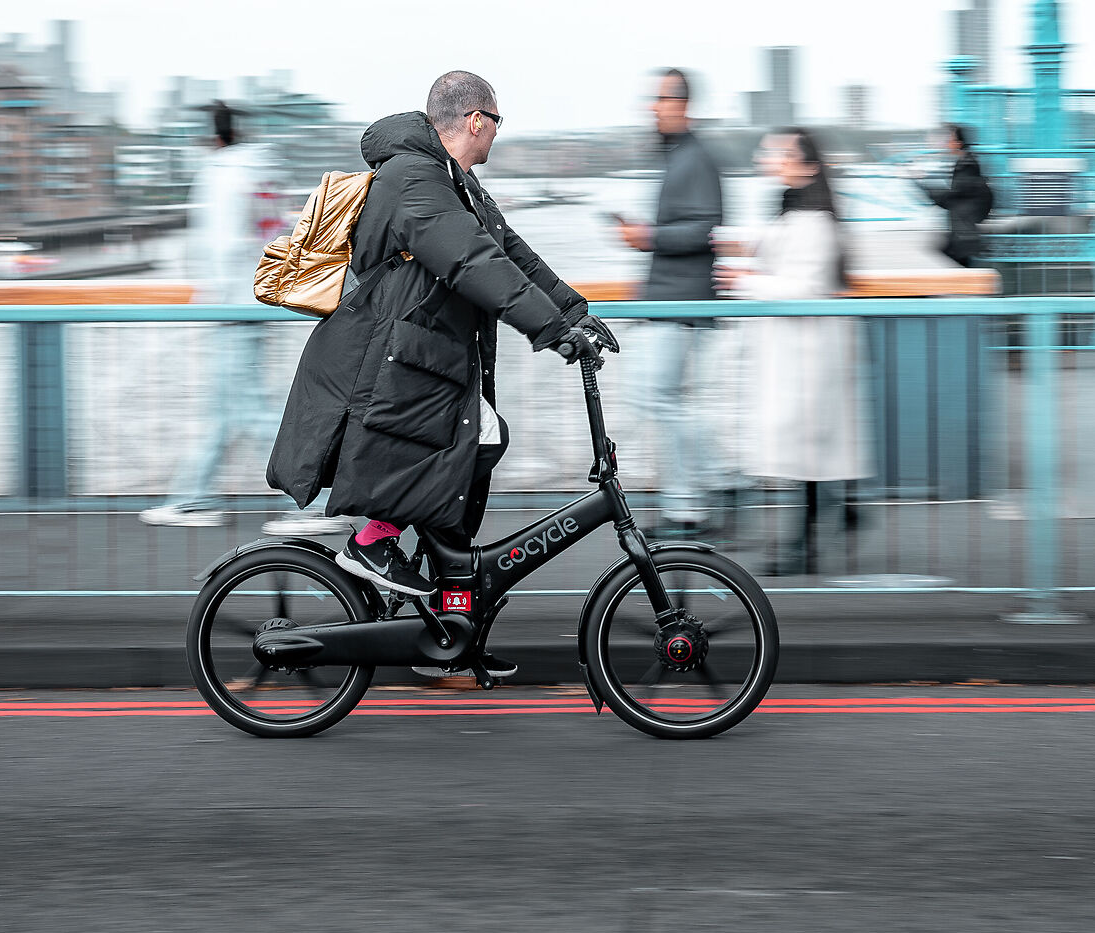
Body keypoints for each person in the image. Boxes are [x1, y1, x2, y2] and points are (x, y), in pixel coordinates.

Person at [267, 70, 616, 679]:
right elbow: (472, 262)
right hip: (392, 361)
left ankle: (447, 620)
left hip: (426, 358)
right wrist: (553, 332)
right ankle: (374, 542)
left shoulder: (458, 182)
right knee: (473, 440)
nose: (497, 135)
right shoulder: (412, 178)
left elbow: (512, 253)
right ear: (476, 119)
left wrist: (575, 311)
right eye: (497, 122)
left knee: (478, 443)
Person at [143, 103, 344, 532]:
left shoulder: (219, 176)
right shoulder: (261, 171)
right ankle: (192, 496)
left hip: (232, 304)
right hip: (257, 298)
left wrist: (213, 296)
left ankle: (311, 501)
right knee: (225, 408)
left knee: (250, 408)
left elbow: (220, 244)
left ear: (213, 139)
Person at [721, 128, 872, 574]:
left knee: (803, 445)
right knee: (809, 448)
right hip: (800, 349)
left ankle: (804, 542)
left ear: (808, 164)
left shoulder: (813, 221)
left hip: (809, 352)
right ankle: (837, 515)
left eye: (780, 151)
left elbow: (803, 285)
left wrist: (743, 282)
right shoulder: (797, 208)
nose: (770, 156)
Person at [614, 68, 724, 534]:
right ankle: (689, 501)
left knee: (655, 397)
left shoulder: (695, 158)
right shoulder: (680, 156)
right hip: (669, 303)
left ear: (682, 103)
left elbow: (705, 227)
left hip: (682, 307)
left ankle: (713, 483)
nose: (653, 106)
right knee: (658, 398)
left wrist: (648, 237)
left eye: (660, 98)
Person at [916, 123, 995, 269]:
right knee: (955, 255)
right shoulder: (965, 163)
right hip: (964, 225)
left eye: (950, 139)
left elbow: (953, 196)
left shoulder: (967, 165)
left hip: (965, 229)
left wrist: (924, 186)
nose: (947, 143)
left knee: (956, 255)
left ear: (959, 143)